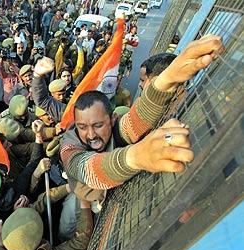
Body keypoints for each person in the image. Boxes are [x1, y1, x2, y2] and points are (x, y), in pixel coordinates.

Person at [58, 35, 223, 207]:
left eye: (98, 125)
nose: (91, 134)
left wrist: (166, 81)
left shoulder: (117, 127)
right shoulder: (69, 147)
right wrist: (137, 156)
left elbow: (133, 123)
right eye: (82, 127)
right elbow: (90, 170)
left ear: (112, 120)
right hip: (91, 201)